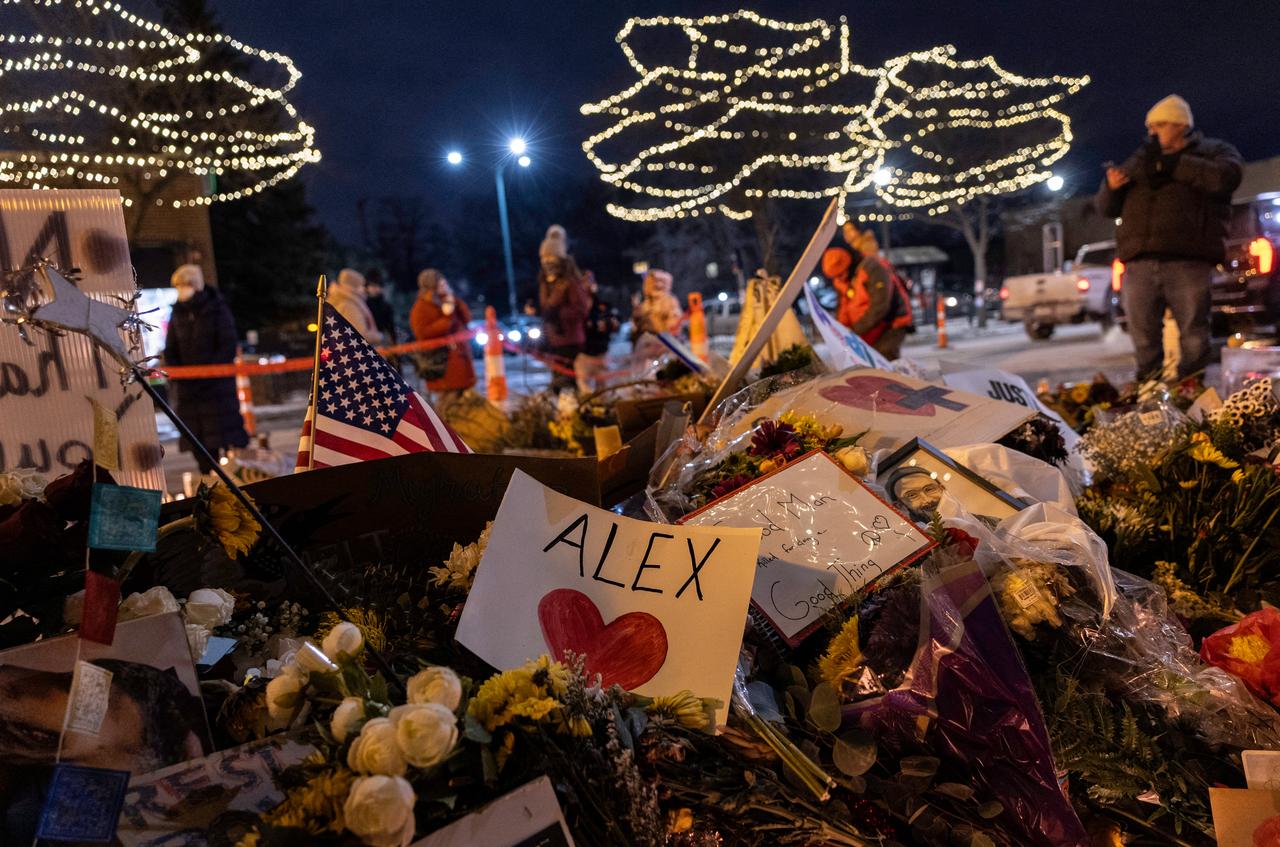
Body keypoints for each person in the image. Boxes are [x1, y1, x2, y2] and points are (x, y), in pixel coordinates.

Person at [1095, 94, 1243, 383]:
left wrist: (1176, 164)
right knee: (1142, 334)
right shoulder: (1141, 159)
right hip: (1139, 262)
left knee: (1193, 333)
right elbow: (1106, 207)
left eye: (1159, 124)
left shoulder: (1213, 151)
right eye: (1150, 126)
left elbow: (1227, 177)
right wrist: (1111, 188)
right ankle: (1150, 391)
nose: (1152, 132)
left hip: (1188, 260)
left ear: (1180, 124)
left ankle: (1190, 390)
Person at [163, 264, 249, 473]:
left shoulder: (217, 309)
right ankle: (207, 475)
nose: (180, 291)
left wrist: (209, 374)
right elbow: (171, 348)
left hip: (215, 387)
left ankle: (226, 477)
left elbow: (227, 345)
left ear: (195, 285)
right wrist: (180, 375)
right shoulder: (177, 313)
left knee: (220, 434)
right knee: (196, 437)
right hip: (188, 390)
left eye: (183, 285)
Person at [826, 225, 913, 360]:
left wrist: (855, 331)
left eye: (850, 230)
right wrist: (842, 331)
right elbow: (843, 307)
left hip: (891, 323)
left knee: (883, 358)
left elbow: (880, 306)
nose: (839, 279)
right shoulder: (843, 279)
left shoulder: (871, 268)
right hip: (867, 329)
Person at [537, 225, 591, 392]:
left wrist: (559, 315)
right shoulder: (545, 282)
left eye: (550, 257)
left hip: (570, 340)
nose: (547, 262)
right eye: (544, 258)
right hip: (554, 340)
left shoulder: (570, 282)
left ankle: (573, 410)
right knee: (559, 382)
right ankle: (565, 411)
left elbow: (581, 310)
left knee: (567, 382)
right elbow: (546, 308)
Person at [410, 269, 475, 399]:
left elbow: (466, 318)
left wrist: (454, 301)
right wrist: (446, 319)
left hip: (459, 355)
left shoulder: (448, 300)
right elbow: (422, 332)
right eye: (440, 284)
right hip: (441, 360)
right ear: (431, 286)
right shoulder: (422, 307)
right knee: (447, 397)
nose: (444, 286)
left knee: (460, 395)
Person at [576, 271, 620, 393]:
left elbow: (614, 323)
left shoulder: (602, 304)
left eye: (590, 280)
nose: (587, 284)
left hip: (601, 353)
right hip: (583, 354)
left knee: (604, 388)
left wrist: (607, 325)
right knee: (585, 389)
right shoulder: (576, 305)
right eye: (584, 280)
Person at [327, 268, 384, 344]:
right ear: (353, 286)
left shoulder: (340, 300)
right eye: (361, 285)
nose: (364, 289)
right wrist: (379, 336)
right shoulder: (349, 305)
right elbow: (359, 334)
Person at [630, 269, 683, 343]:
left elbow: (674, 323)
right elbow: (637, 325)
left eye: (661, 282)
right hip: (647, 343)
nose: (658, 285)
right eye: (654, 282)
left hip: (666, 342)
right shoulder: (646, 304)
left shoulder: (670, 301)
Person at [364, 270, 398, 345]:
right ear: (367, 287)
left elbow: (390, 327)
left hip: (383, 342)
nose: (376, 288)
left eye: (379, 285)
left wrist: (393, 342)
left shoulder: (386, 306)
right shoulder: (363, 305)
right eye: (373, 285)